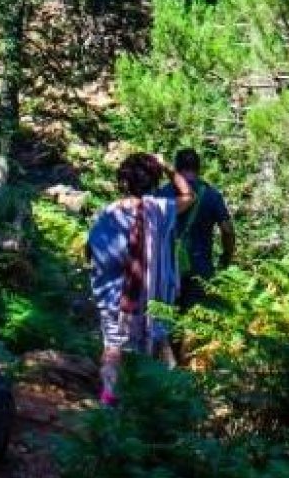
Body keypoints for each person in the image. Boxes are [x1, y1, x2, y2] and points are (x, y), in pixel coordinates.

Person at [85, 152, 193, 406]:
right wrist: (166, 166)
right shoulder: (160, 210)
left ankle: (108, 400)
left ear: (123, 182)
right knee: (161, 340)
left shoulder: (107, 213)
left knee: (113, 346)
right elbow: (188, 196)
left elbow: (92, 249)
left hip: (115, 297)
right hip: (157, 295)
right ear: (153, 182)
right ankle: (164, 405)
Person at [162, 148, 234, 312]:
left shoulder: (163, 193)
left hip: (168, 266)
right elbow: (227, 230)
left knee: (166, 318)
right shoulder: (211, 194)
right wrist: (226, 257)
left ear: (177, 167)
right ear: (199, 167)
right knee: (198, 323)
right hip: (201, 268)